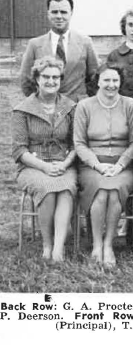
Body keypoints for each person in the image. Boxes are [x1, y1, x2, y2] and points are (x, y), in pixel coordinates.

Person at [74, 64, 133, 266]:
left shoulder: (131, 105)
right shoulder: (84, 106)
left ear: (120, 82)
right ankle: (97, 244)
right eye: (106, 80)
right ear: (98, 82)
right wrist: (98, 166)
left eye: (115, 81)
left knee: (113, 190)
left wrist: (120, 165)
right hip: (92, 166)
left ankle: (109, 245)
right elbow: (79, 143)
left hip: (123, 166)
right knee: (102, 191)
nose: (111, 85)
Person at [12, 56, 77, 262]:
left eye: (56, 77)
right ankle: (47, 245)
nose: (51, 81)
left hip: (63, 163)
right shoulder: (23, 109)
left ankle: (58, 249)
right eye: (46, 77)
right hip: (33, 165)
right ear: (37, 79)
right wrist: (44, 167)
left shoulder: (70, 106)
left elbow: (78, 143)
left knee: (66, 188)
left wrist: (65, 163)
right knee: (47, 189)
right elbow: (19, 150)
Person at [20, 0, 99, 102]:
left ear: (71, 13)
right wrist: (40, 101)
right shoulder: (34, 44)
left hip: (77, 107)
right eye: (54, 12)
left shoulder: (85, 42)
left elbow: (95, 77)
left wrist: (86, 101)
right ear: (48, 14)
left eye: (63, 12)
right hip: (47, 107)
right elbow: (26, 81)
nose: (59, 16)